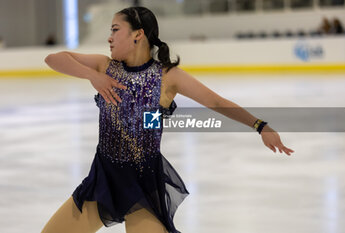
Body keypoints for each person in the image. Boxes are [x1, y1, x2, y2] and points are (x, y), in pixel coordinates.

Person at [42, 6, 294, 233]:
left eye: (115, 30)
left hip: (143, 184)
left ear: (138, 35)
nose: (109, 37)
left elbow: (216, 102)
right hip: (104, 179)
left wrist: (259, 126)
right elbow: (54, 59)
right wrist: (93, 76)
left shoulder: (166, 76)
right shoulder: (105, 67)